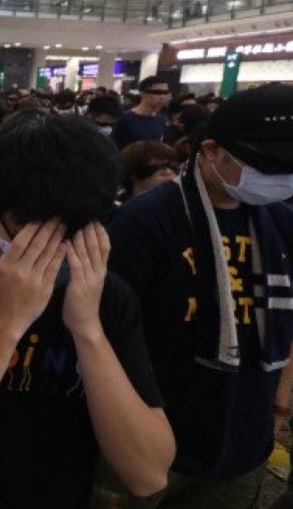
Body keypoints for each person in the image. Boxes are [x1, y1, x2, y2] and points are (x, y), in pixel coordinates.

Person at [0, 110, 174, 506]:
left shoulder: (108, 296)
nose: (52, 248)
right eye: (32, 230)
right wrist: (8, 320)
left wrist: (88, 329)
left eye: (73, 229)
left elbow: (148, 474)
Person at [102, 84, 293, 508]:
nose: (280, 179)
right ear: (210, 150)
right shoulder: (147, 220)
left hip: (243, 438)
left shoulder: (280, 222)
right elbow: (107, 332)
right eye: (268, 166)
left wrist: (281, 399)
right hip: (153, 436)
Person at [112, 76, 170, 149]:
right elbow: (113, 146)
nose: (162, 97)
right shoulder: (125, 119)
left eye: (165, 93)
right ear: (143, 94)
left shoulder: (161, 119)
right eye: (157, 92)